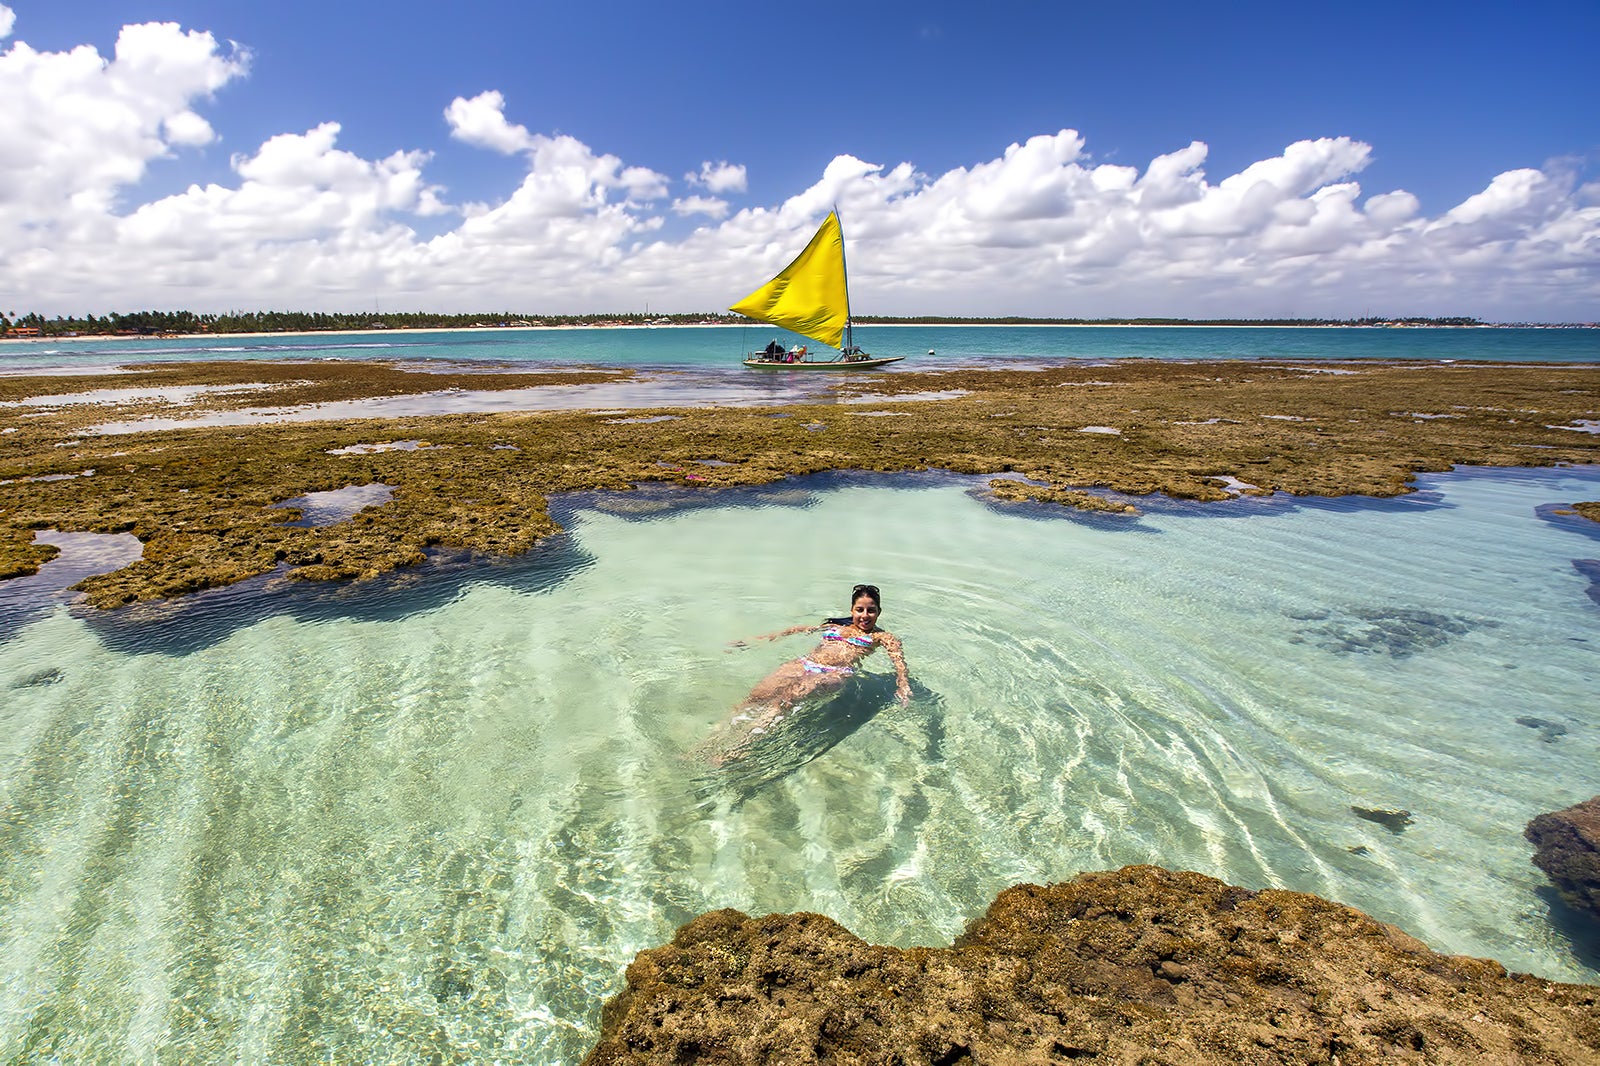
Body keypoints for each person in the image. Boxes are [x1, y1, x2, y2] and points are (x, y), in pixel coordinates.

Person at [706, 584, 912, 762]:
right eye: (860, 610)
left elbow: (899, 663)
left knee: (785, 700)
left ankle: (737, 749)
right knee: (755, 697)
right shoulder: (834, 626)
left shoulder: (882, 637)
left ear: (879, 611)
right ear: (852, 609)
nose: (865, 616)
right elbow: (793, 630)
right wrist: (750, 641)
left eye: (871, 610)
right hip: (804, 664)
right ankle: (706, 744)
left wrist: (903, 686)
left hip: (834, 673)